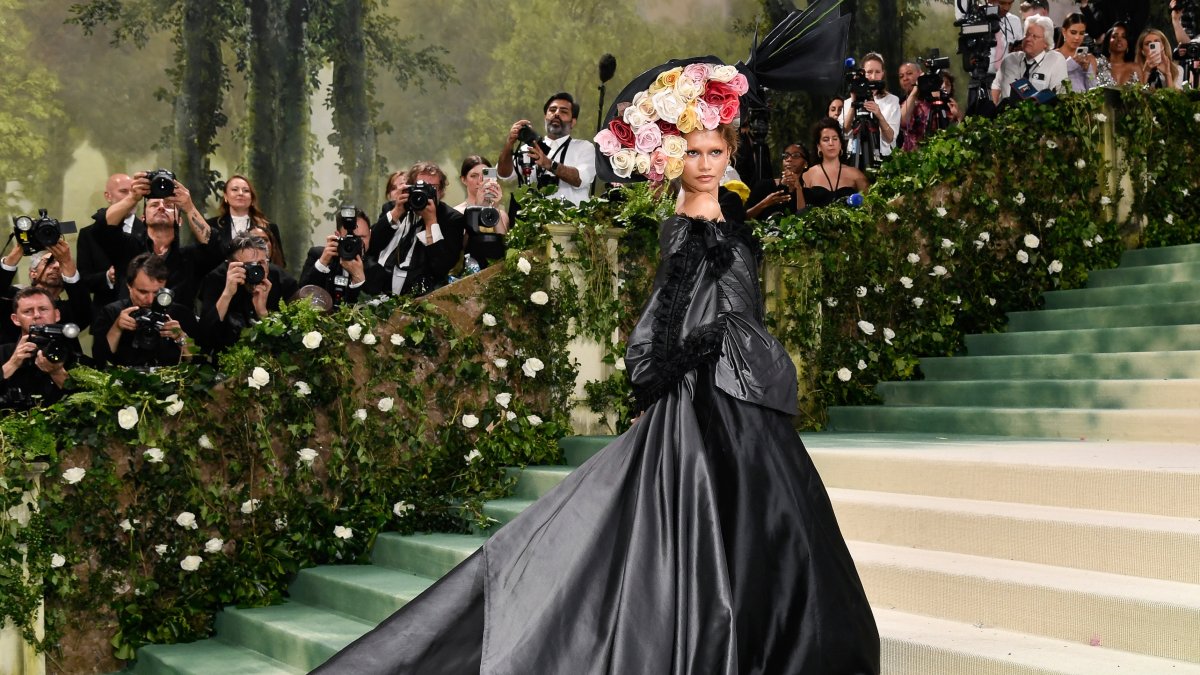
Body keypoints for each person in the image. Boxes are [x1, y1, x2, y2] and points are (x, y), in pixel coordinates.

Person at [315, 59, 880, 675]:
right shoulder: (680, 230)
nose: (708, 162)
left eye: (716, 150)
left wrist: (732, 342)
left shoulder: (735, 229)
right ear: (674, 162)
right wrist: (698, 348)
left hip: (749, 394)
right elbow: (666, 328)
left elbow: (735, 307)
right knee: (710, 530)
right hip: (705, 403)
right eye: (694, 153)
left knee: (774, 531)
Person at [93, 175, 217, 310]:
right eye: (154, 204)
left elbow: (214, 248)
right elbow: (103, 226)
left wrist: (189, 207)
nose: (161, 208)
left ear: (180, 220)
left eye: (169, 205)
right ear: (143, 218)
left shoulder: (190, 257)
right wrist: (133, 198)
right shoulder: (127, 248)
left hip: (178, 327)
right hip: (131, 325)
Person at [368, 162, 466, 296]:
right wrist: (397, 212)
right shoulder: (393, 208)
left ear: (441, 192)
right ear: (409, 188)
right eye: (419, 187)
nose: (423, 193)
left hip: (419, 299)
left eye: (431, 188)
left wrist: (431, 222)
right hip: (378, 290)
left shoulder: (451, 219)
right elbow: (372, 245)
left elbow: (442, 266)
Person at [91, 253, 198, 369]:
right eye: (143, 292)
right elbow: (100, 361)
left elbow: (197, 361)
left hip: (171, 383)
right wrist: (117, 328)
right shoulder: (111, 312)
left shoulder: (181, 314)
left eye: (157, 292)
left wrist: (181, 337)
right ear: (129, 286)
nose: (151, 300)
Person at [497, 92, 597, 206]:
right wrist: (509, 143)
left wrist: (548, 163)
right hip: (534, 222)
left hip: (571, 222)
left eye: (563, 111)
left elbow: (580, 179)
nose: (556, 114)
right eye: (552, 110)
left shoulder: (584, 147)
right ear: (545, 117)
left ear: (573, 122)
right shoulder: (528, 148)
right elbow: (504, 175)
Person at [197, 235, 291, 354]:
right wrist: (227, 294)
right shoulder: (216, 279)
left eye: (261, 263)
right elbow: (204, 338)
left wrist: (262, 313)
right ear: (232, 265)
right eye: (249, 265)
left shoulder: (282, 281)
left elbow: (286, 345)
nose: (256, 270)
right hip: (225, 357)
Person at [0, 241, 92, 347]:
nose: (56, 266)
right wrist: (16, 254)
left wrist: (67, 262)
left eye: (60, 263)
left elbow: (84, 314)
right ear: (33, 273)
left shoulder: (68, 310)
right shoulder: (13, 297)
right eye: (49, 262)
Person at [76, 173, 147, 307]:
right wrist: (107, 277)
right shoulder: (89, 234)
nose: (130, 197)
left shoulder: (148, 232)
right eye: (123, 191)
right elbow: (83, 280)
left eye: (133, 192)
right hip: (104, 314)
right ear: (108, 196)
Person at [0, 287, 73, 409]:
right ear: (16, 319)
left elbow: (85, 408)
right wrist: (12, 364)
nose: (37, 315)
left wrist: (57, 372)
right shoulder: (2, 353)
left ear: (57, 315)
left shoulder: (71, 356)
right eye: (28, 311)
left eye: (43, 309)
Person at [298, 207, 378, 306]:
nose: (356, 243)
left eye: (361, 237)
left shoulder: (376, 269)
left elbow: (371, 313)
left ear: (370, 235)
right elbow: (300, 299)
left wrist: (359, 280)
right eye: (349, 238)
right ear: (337, 235)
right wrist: (322, 264)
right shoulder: (318, 255)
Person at [206, 175, 286, 267]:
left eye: (246, 191)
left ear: (252, 198)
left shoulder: (269, 227)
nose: (240, 193)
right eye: (235, 189)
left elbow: (279, 262)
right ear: (225, 196)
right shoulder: (211, 226)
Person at [992, 15, 1069, 104]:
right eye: (1027, 35)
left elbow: (1060, 97)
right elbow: (996, 87)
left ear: (1046, 43)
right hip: (1007, 115)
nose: (1028, 39)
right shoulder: (1009, 60)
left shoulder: (1055, 60)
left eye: (1035, 36)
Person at [841, 52, 902, 161]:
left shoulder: (892, 100)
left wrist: (879, 115)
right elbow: (844, 132)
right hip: (855, 157)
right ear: (862, 73)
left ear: (883, 74)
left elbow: (890, 138)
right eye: (869, 72)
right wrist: (853, 103)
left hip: (882, 157)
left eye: (877, 72)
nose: (873, 77)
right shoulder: (848, 102)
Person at [454, 156, 509, 269]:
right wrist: (477, 209)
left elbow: (505, 248)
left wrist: (494, 209)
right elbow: (460, 249)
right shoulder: (457, 213)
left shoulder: (501, 213)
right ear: (463, 179)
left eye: (485, 175)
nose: (480, 181)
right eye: (473, 176)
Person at [803, 117, 869, 207]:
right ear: (819, 146)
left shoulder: (855, 174)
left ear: (840, 144)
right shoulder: (808, 175)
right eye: (826, 139)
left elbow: (870, 206)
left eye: (835, 139)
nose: (831, 143)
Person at [745, 143, 808, 221]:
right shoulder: (764, 186)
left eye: (796, 156)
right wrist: (764, 203)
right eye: (786, 156)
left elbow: (804, 220)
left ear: (805, 164)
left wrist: (798, 189)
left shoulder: (808, 191)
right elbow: (745, 217)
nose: (789, 159)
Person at [1056, 13, 1099, 92]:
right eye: (1073, 32)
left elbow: (1093, 89)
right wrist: (1071, 63)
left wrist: (1088, 71)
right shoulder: (1054, 55)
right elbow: (1054, 83)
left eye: (1081, 33)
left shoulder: (1090, 58)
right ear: (1064, 32)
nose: (1077, 37)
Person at [1096, 22, 1139, 86]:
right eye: (1114, 36)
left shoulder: (1136, 68)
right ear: (1108, 42)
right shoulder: (1098, 64)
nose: (1119, 39)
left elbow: (1143, 93)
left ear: (1128, 43)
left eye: (1123, 36)